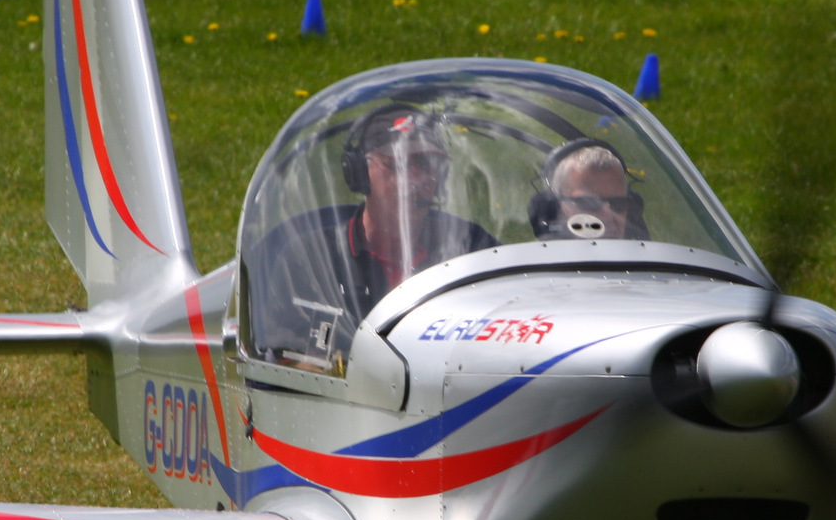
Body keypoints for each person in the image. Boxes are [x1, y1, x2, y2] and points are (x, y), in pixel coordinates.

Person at [246, 108, 498, 372]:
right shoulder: (310, 259)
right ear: (359, 173)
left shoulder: (472, 248)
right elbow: (289, 365)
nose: (416, 179)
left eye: (426, 165)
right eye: (398, 164)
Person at [531, 139, 648, 241]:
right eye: (589, 203)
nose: (608, 216)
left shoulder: (652, 264)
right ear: (554, 208)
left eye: (619, 203)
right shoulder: (527, 264)